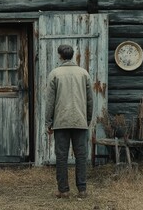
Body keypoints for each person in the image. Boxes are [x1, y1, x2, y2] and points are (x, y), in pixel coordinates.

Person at [45, 44, 93, 199]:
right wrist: (87, 119)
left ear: (60, 56)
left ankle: (63, 190)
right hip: (80, 121)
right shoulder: (84, 73)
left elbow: (50, 101)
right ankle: (82, 190)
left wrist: (48, 122)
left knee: (61, 156)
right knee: (81, 156)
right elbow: (90, 100)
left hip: (61, 121)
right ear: (72, 55)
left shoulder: (55, 73)